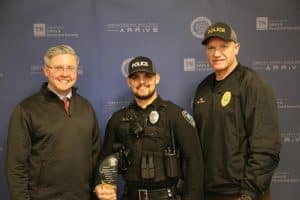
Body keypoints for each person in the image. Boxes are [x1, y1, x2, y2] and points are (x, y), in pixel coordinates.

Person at [193, 22, 281, 200]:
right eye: (211, 48)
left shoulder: (252, 84)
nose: (216, 53)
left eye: (223, 46)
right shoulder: (203, 88)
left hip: (243, 193)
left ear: (236, 48)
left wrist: (248, 193)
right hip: (211, 192)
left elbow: (266, 144)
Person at [94, 56, 203, 200]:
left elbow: (195, 162)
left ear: (157, 78)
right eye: (135, 77)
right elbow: (105, 159)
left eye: (147, 76)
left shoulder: (175, 115)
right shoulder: (118, 119)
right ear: (129, 82)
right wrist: (99, 185)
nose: (141, 82)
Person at [6, 44, 101, 200]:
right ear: (46, 70)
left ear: (76, 71)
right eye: (58, 68)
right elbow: (16, 167)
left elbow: (96, 156)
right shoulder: (26, 110)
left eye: (70, 68)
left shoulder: (86, 107)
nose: (65, 74)